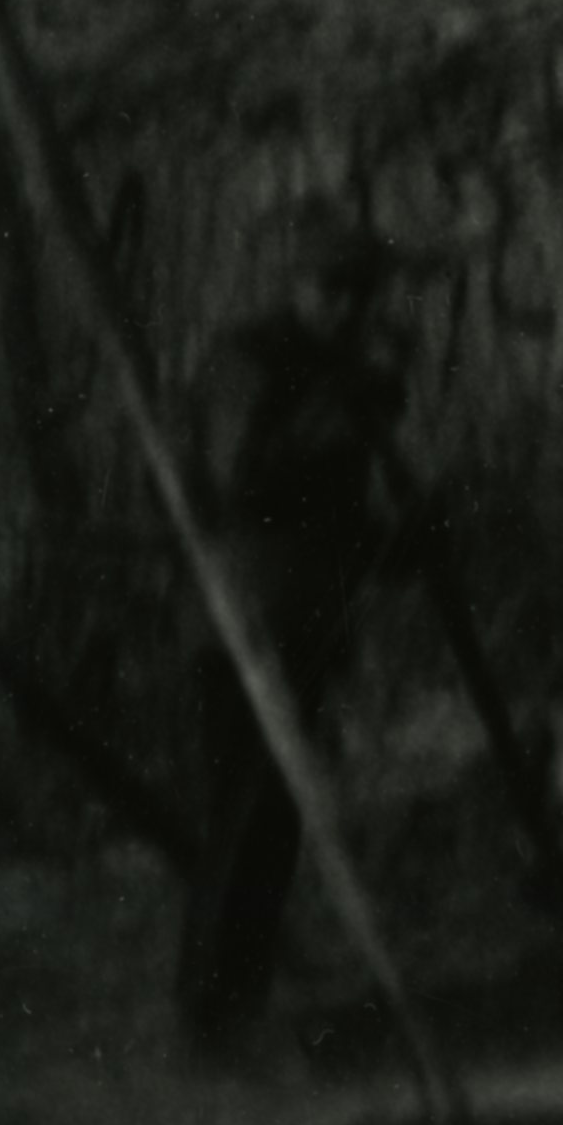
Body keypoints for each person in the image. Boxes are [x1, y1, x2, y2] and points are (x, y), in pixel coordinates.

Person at [171, 206, 409, 1054]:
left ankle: (244, 996)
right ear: (301, 285)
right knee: (241, 813)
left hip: (307, 614)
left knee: (276, 817)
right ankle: (210, 1010)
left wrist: (388, 542)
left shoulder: (340, 367)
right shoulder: (250, 358)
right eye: (333, 290)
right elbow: (237, 481)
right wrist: (340, 418)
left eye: (362, 294)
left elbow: (337, 506)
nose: (347, 309)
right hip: (245, 618)